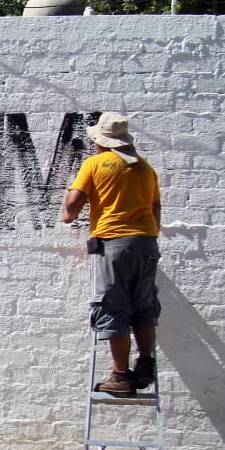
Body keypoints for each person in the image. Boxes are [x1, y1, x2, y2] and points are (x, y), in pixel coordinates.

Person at [62, 113, 161, 396]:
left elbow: (73, 203)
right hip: (147, 243)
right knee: (142, 305)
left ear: (101, 142)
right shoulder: (145, 168)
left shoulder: (94, 164)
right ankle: (145, 363)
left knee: (113, 305)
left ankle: (120, 375)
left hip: (114, 242)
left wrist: (70, 213)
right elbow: (155, 210)